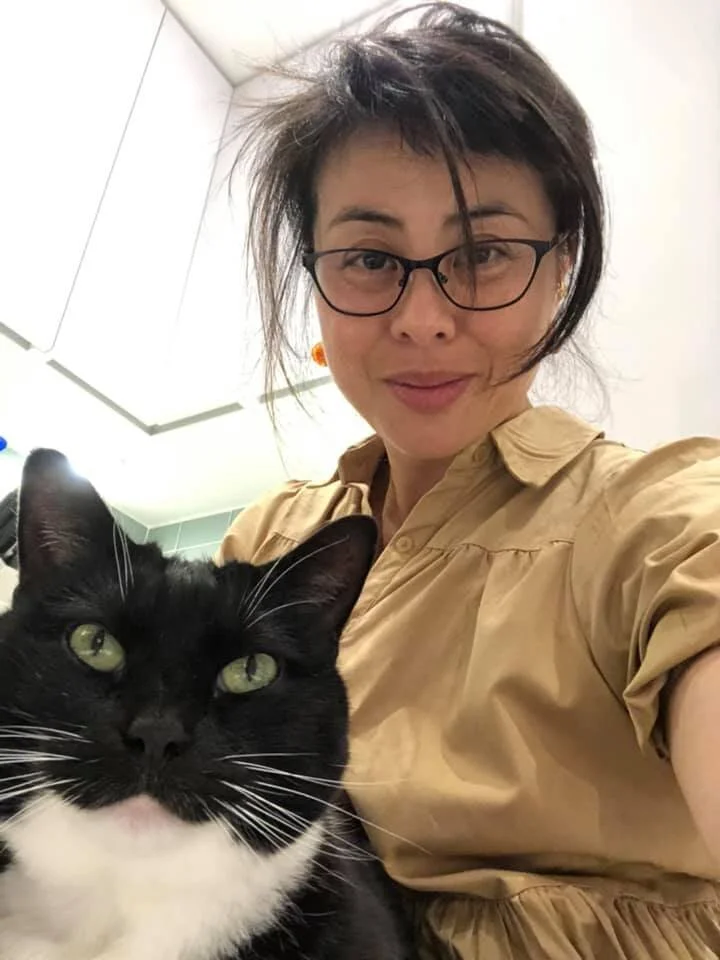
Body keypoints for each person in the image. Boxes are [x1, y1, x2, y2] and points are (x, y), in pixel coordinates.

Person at [218, 4, 720, 957]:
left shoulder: (651, 516)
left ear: (561, 268)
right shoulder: (266, 540)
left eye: (484, 254)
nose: (421, 317)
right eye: (371, 259)